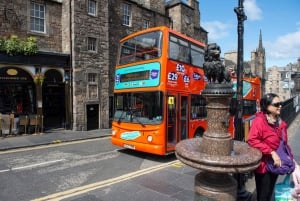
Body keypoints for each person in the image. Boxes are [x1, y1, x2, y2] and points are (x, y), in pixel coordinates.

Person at [248, 93, 299, 201]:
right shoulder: (259, 121)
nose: (280, 106)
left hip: (276, 164)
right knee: (263, 195)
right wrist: (271, 152)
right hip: (264, 166)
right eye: (276, 104)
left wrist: (291, 159)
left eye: (280, 103)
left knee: (270, 192)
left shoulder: (280, 123)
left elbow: (283, 145)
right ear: (267, 106)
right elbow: (252, 140)